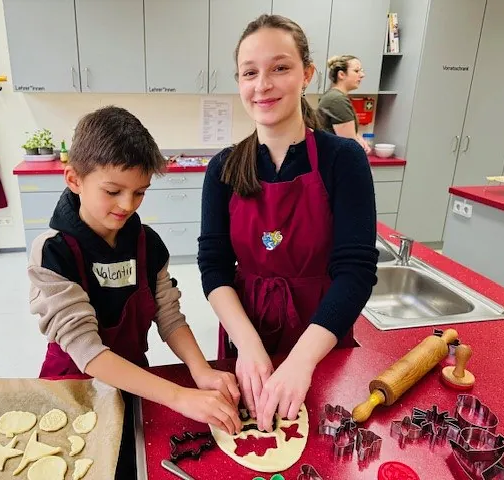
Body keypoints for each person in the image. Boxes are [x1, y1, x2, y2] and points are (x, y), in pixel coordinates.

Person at [28, 107, 242, 476]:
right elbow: (88, 352)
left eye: (139, 192)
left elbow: (169, 316)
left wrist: (200, 370)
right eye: (113, 191)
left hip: (133, 381)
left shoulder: (147, 244)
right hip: (72, 390)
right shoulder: (53, 252)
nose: (127, 205)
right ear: (74, 179)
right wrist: (179, 396)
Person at [198, 15, 378, 433]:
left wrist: (301, 360)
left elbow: (356, 271)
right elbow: (215, 267)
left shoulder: (342, 160)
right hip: (247, 332)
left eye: (280, 67)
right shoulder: (223, 168)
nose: (262, 85)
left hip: (322, 333)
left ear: (307, 74)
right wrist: (248, 347)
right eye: (249, 72)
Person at [318, 55, 371, 153]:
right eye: (356, 71)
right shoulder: (337, 100)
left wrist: (358, 137)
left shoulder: (334, 96)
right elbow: (349, 146)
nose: (362, 75)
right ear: (341, 74)